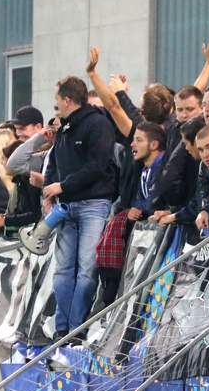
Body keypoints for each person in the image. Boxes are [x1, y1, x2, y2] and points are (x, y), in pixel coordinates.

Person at [42, 75, 115, 339]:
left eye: (57, 100)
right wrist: (49, 192)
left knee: (87, 268)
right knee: (63, 270)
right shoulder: (64, 129)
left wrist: (62, 186)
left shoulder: (98, 125)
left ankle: (76, 327)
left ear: (68, 100)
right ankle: (63, 328)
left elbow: (97, 166)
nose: (56, 106)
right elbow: (53, 165)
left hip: (93, 205)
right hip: (66, 207)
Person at [152, 115, 204, 227]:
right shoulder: (204, 166)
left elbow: (206, 205)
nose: (185, 149)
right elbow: (197, 201)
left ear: (196, 142)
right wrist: (171, 211)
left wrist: (174, 216)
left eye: (186, 144)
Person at [127, 122, 166, 222]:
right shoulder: (145, 170)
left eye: (139, 140)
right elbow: (138, 201)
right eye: (133, 139)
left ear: (154, 144)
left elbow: (153, 204)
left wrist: (140, 209)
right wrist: (134, 211)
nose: (132, 144)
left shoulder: (163, 167)